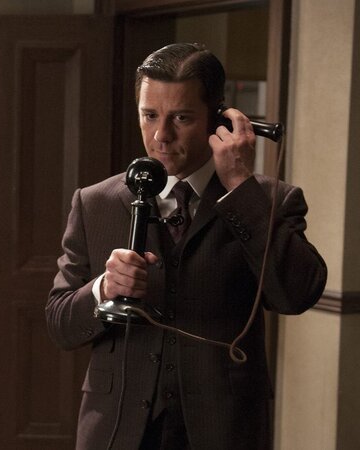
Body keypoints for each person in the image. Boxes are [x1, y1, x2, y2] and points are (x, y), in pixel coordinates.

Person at [46, 43, 327, 450]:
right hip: (117, 431)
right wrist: (103, 288)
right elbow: (59, 324)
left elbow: (298, 294)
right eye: (149, 116)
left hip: (224, 430)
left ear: (218, 118)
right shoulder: (94, 203)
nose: (161, 136)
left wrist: (240, 186)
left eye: (181, 117)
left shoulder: (270, 200)